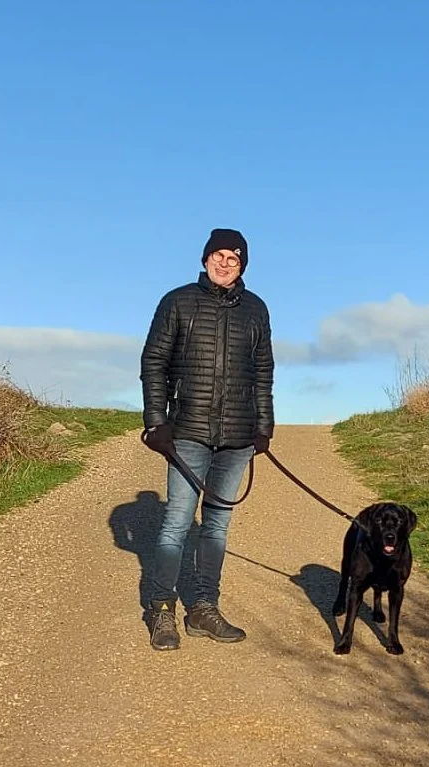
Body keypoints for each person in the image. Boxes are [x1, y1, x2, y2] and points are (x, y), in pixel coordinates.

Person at [139, 228, 275, 651]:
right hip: (188, 434)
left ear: (242, 266)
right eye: (217, 256)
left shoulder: (256, 310)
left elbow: (264, 372)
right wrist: (156, 422)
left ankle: (203, 608)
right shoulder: (177, 301)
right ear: (204, 259)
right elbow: (153, 361)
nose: (224, 264)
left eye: (232, 259)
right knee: (176, 525)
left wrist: (264, 426)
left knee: (216, 526)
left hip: (237, 438)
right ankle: (161, 611)